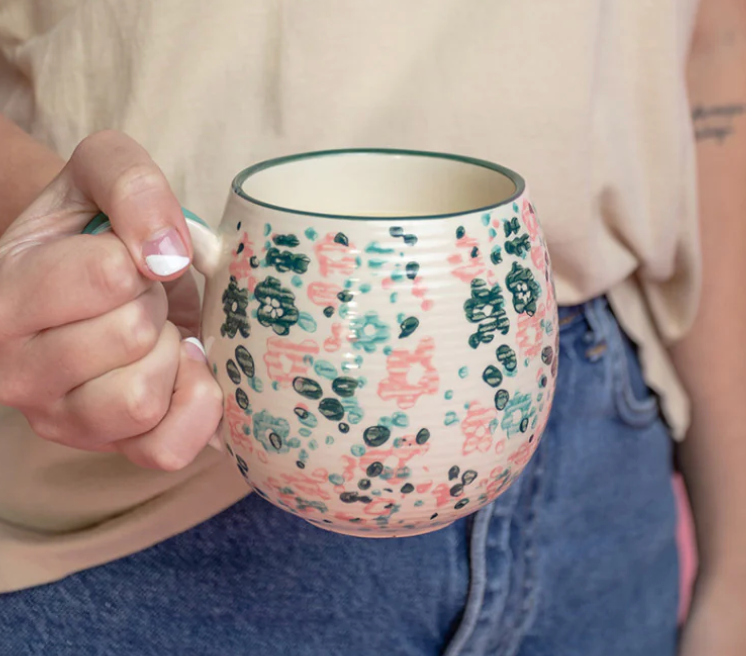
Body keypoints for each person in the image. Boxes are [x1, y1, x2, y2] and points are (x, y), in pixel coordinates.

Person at [0, 0, 742, 654]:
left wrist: (736, 557)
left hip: (601, 468)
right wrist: (56, 225)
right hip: (135, 505)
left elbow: (708, 52)